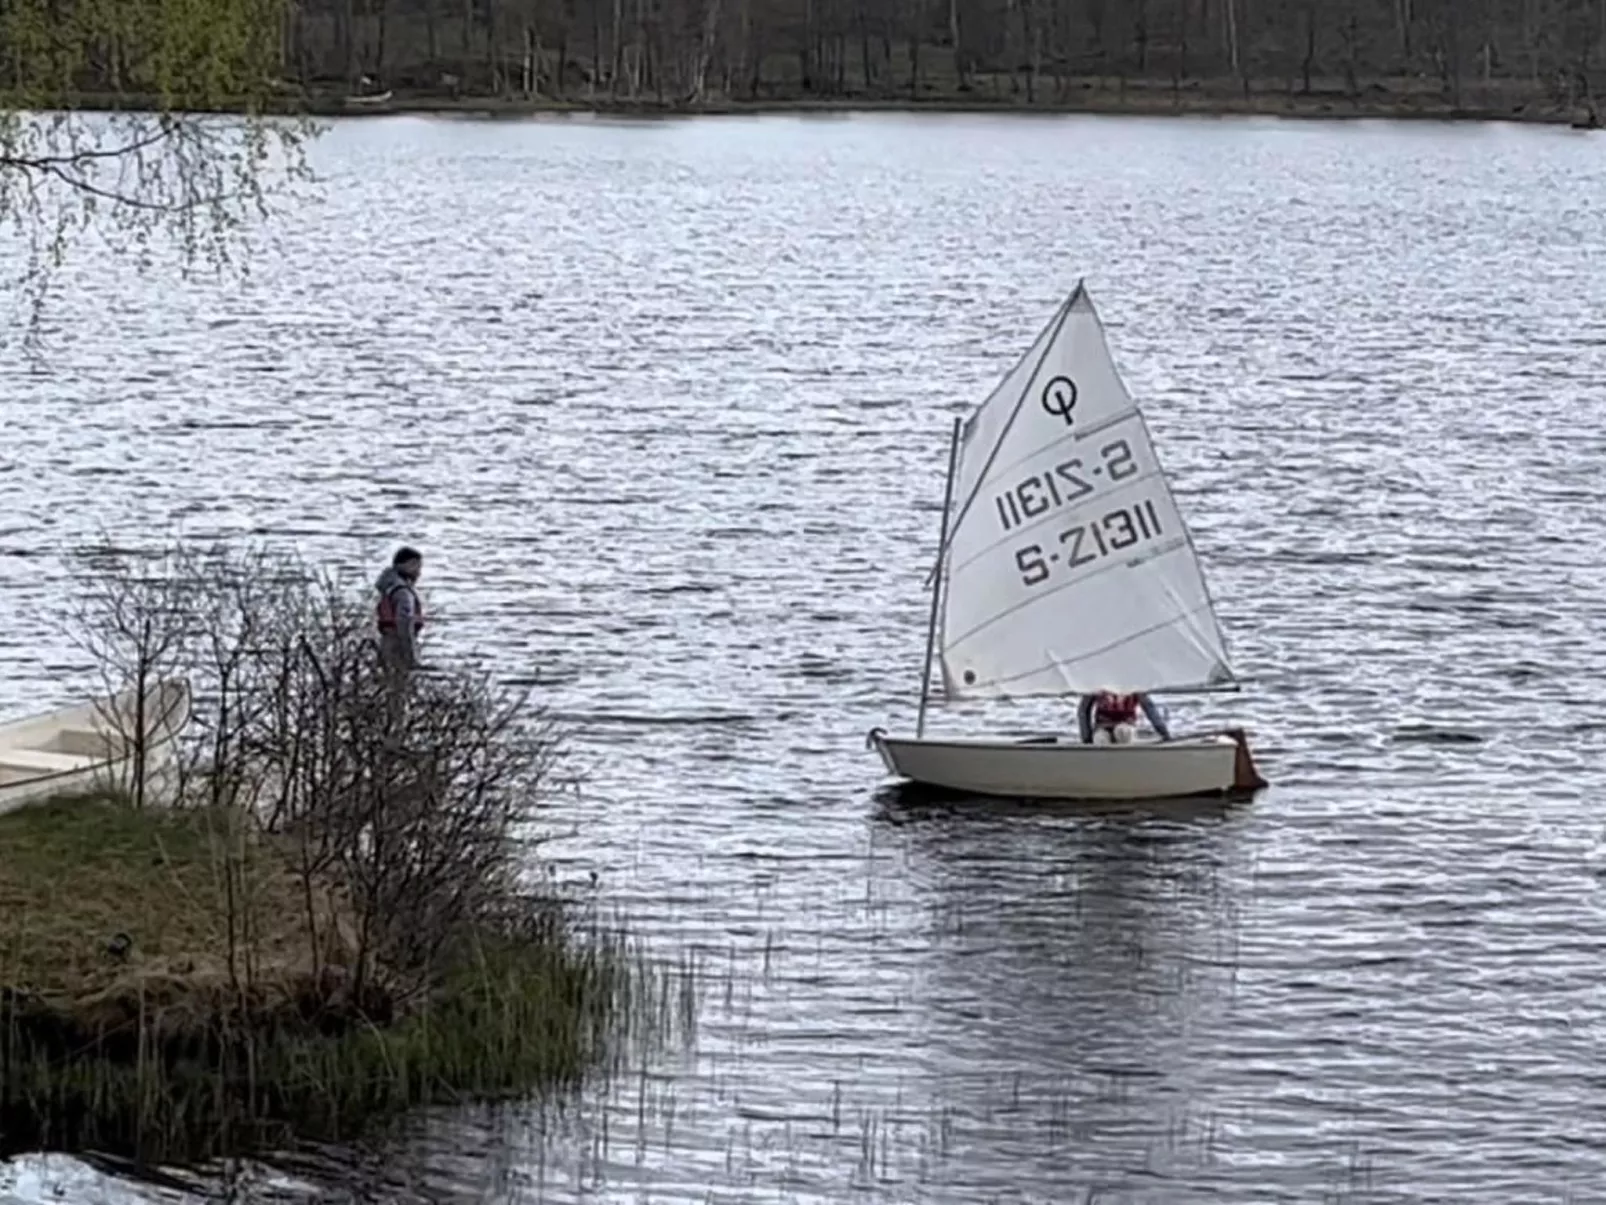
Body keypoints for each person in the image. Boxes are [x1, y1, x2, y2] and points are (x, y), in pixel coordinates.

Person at [375, 546, 425, 674]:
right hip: (399, 649)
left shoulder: (388, 586)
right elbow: (404, 624)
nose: (419, 572)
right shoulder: (403, 592)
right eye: (417, 566)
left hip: (385, 645)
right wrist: (412, 658)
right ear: (408, 565)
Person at [1076, 689, 1171, 745]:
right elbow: (1083, 710)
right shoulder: (1097, 683)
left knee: (1122, 731)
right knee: (1100, 739)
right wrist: (1086, 739)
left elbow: (1149, 707)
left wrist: (1164, 733)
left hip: (1126, 724)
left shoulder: (1134, 684)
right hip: (1102, 726)